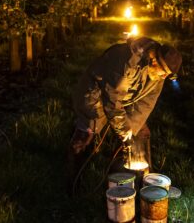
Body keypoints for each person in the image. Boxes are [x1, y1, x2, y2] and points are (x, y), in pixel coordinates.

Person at [67, 37, 182, 193]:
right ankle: (74, 182)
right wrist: (123, 131)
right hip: (96, 92)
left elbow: (145, 105)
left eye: (166, 76)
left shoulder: (158, 75)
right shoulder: (127, 60)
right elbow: (112, 101)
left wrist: (130, 134)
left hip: (125, 97)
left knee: (140, 132)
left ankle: (138, 180)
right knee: (87, 132)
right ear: (154, 61)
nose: (163, 78)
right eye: (163, 74)